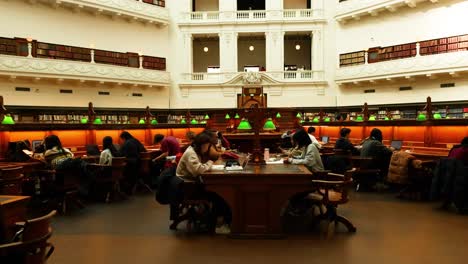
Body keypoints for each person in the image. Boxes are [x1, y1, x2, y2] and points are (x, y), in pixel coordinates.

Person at [176, 131, 231, 234]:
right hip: (188, 188)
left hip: (191, 184)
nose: (208, 148)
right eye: (208, 145)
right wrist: (210, 162)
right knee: (219, 196)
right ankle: (217, 225)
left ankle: (221, 222)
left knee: (221, 194)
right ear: (203, 144)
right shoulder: (191, 153)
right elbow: (199, 170)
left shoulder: (194, 151)